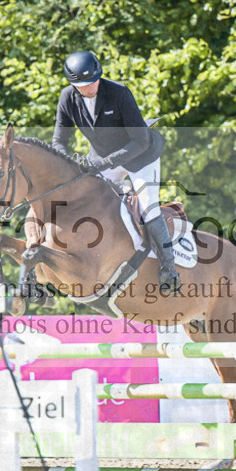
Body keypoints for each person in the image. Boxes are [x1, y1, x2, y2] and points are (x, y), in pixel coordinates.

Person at [52, 50, 181, 294]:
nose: (91, 88)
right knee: (86, 201)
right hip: (102, 158)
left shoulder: (119, 93)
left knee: (147, 205)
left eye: (94, 81)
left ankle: (169, 269)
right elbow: (59, 141)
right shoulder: (68, 98)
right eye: (84, 85)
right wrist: (69, 163)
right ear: (72, 84)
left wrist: (104, 163)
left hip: (140, 156)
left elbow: (140, 140)